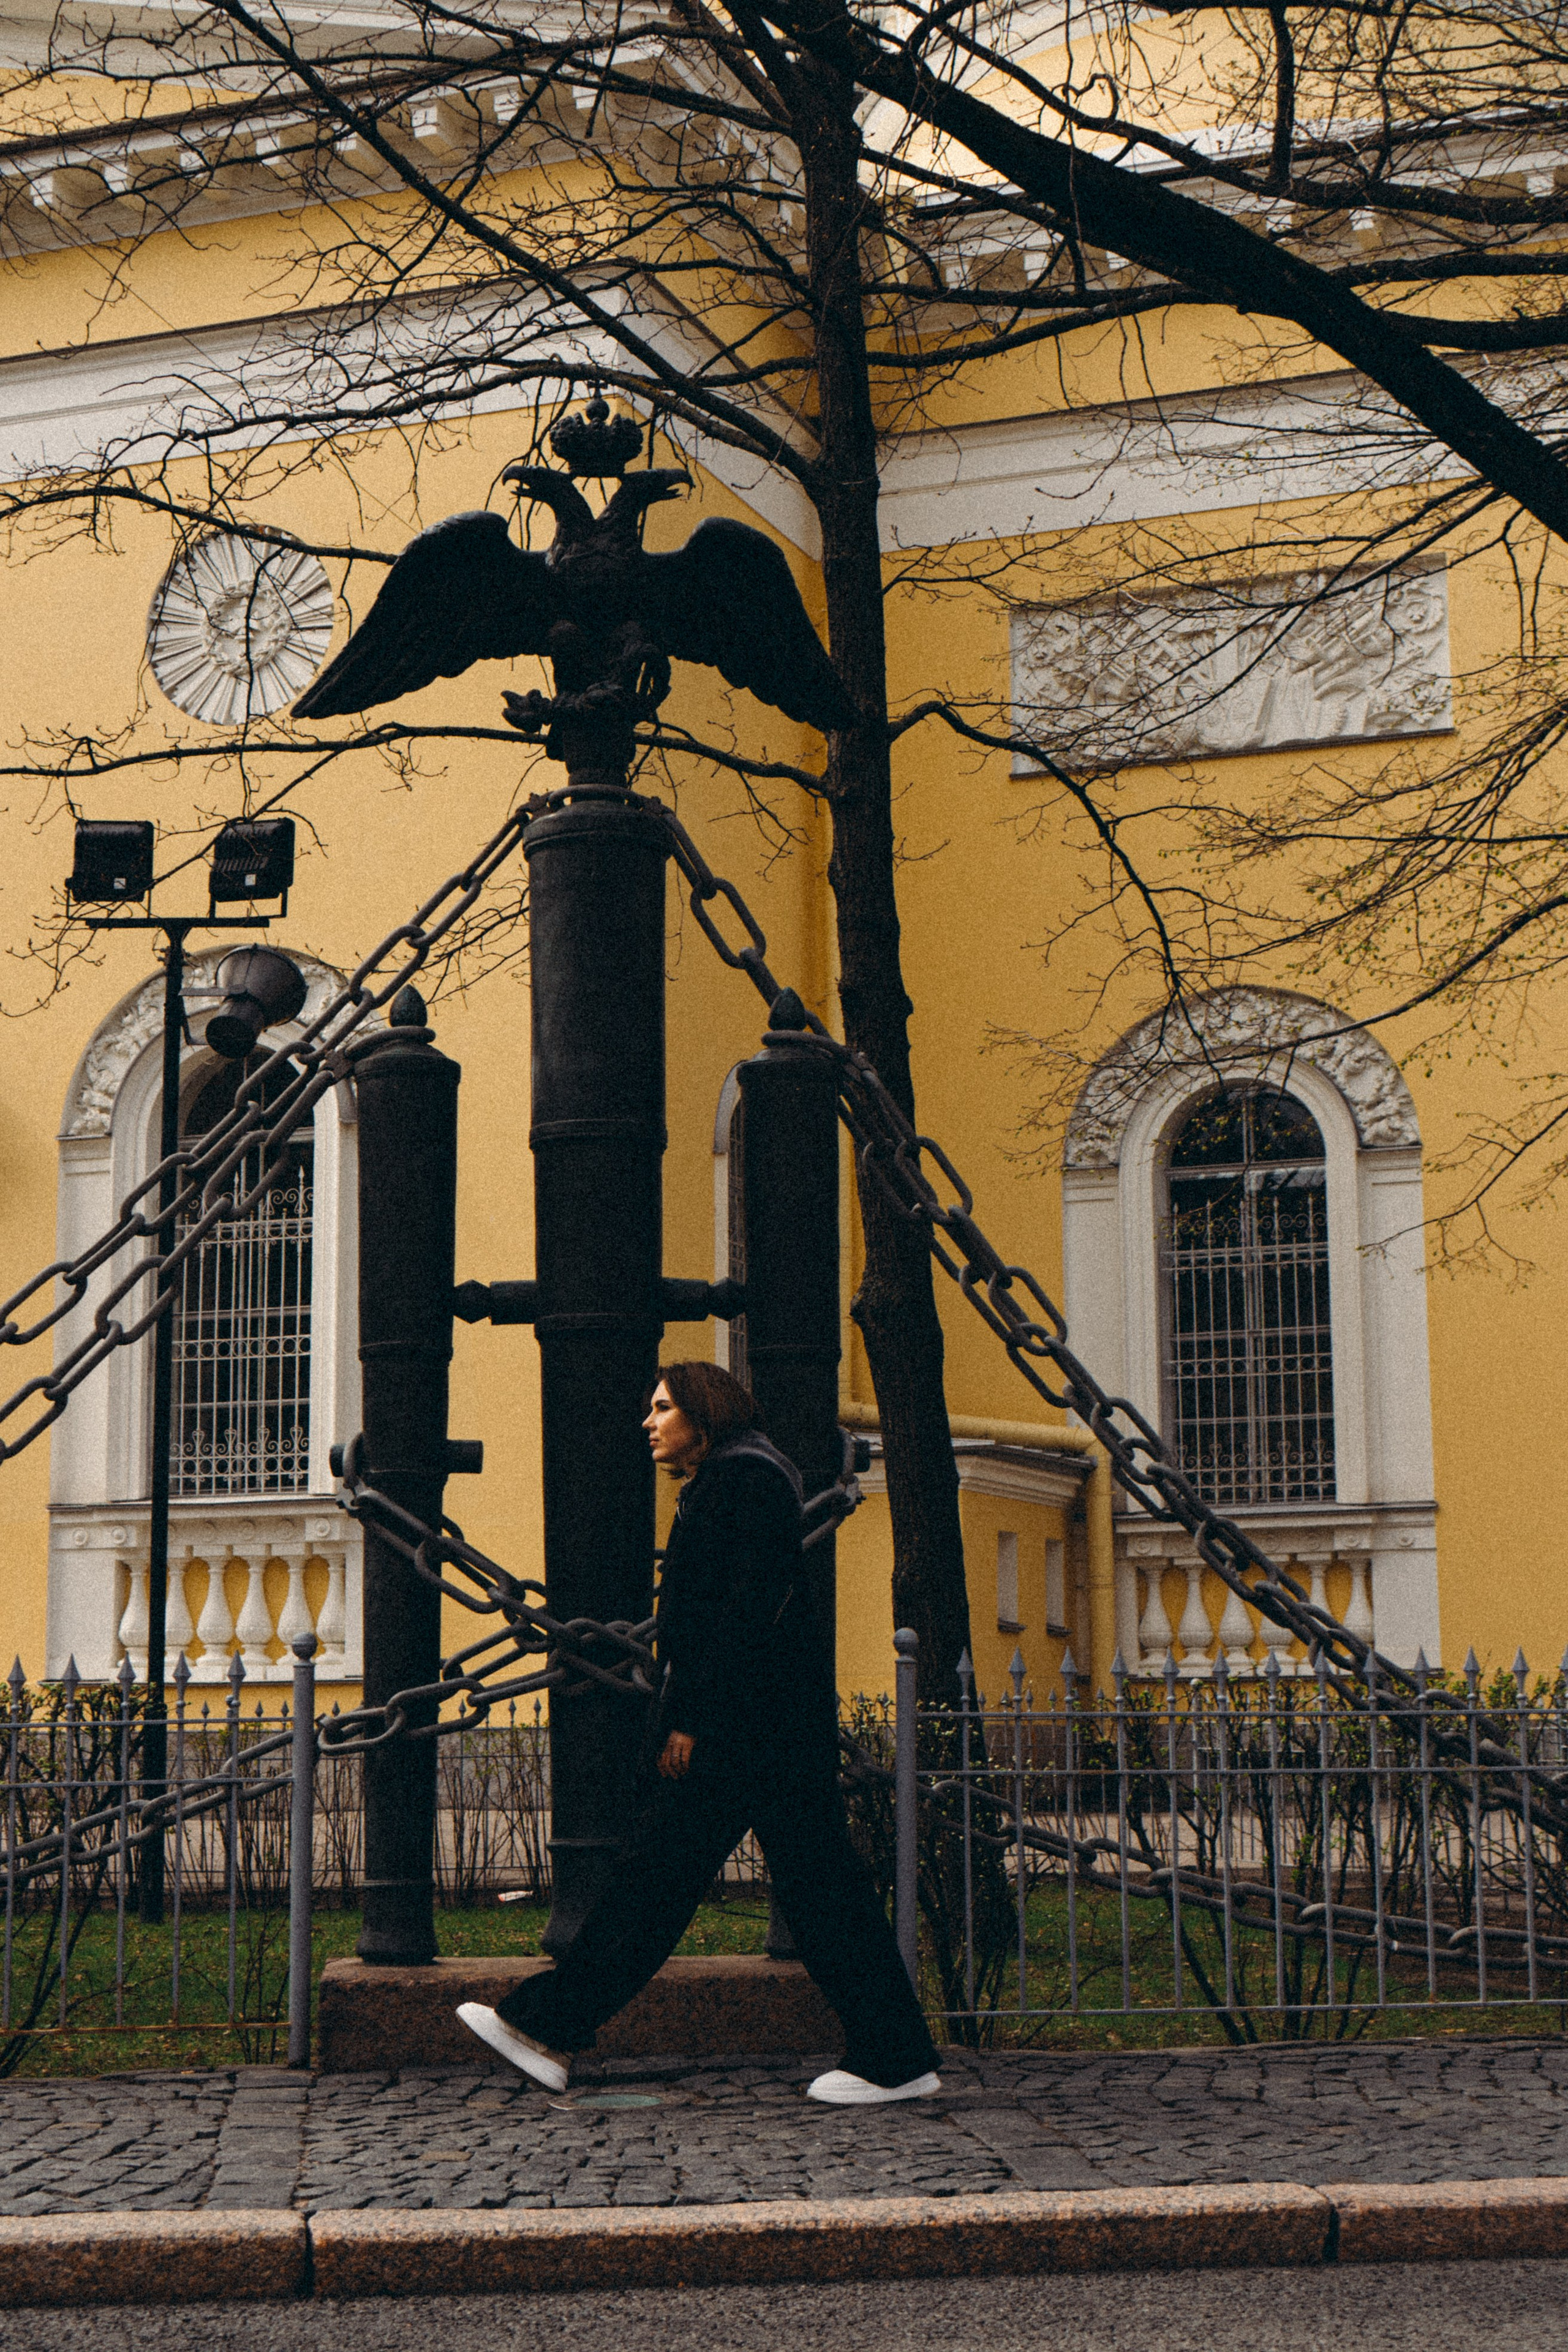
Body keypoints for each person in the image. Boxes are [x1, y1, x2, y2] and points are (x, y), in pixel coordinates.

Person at [458, 1361, 941, 2105]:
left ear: (702, 1411)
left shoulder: (739, 1479)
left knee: (669, 1884)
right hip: (766, 1726)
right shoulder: (747, 1475)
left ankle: (548, 2026)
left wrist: (690, 1720)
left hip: (743, 1730)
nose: (648, 1423)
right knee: (790, 1890)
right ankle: (895, 2051)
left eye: (661, 1408)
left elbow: (741, 1617)